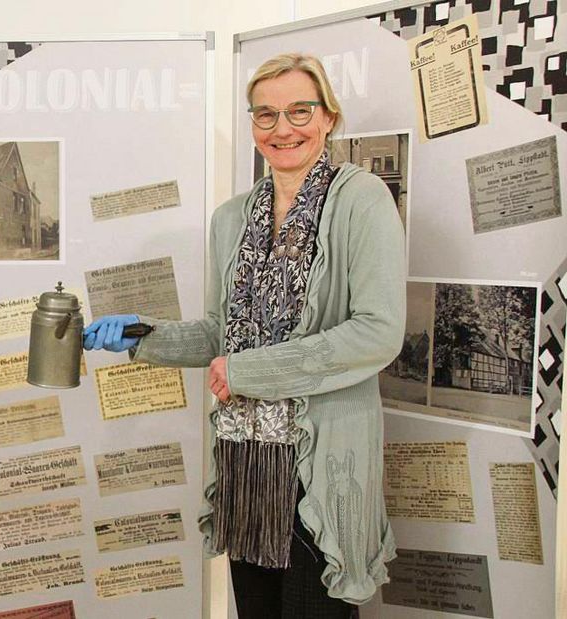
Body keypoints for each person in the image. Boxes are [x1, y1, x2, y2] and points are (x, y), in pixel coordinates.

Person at [85, 53, 405, 618]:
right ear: (253, 125)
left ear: (329, 117)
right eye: (265, 115)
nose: (282, 129)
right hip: (245, 466)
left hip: (318, 472)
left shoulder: (361, 200)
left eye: (299, 111)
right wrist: (139, 336)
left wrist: (250, 371)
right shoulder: (232, 218)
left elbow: (378, 333)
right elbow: (219, 331)